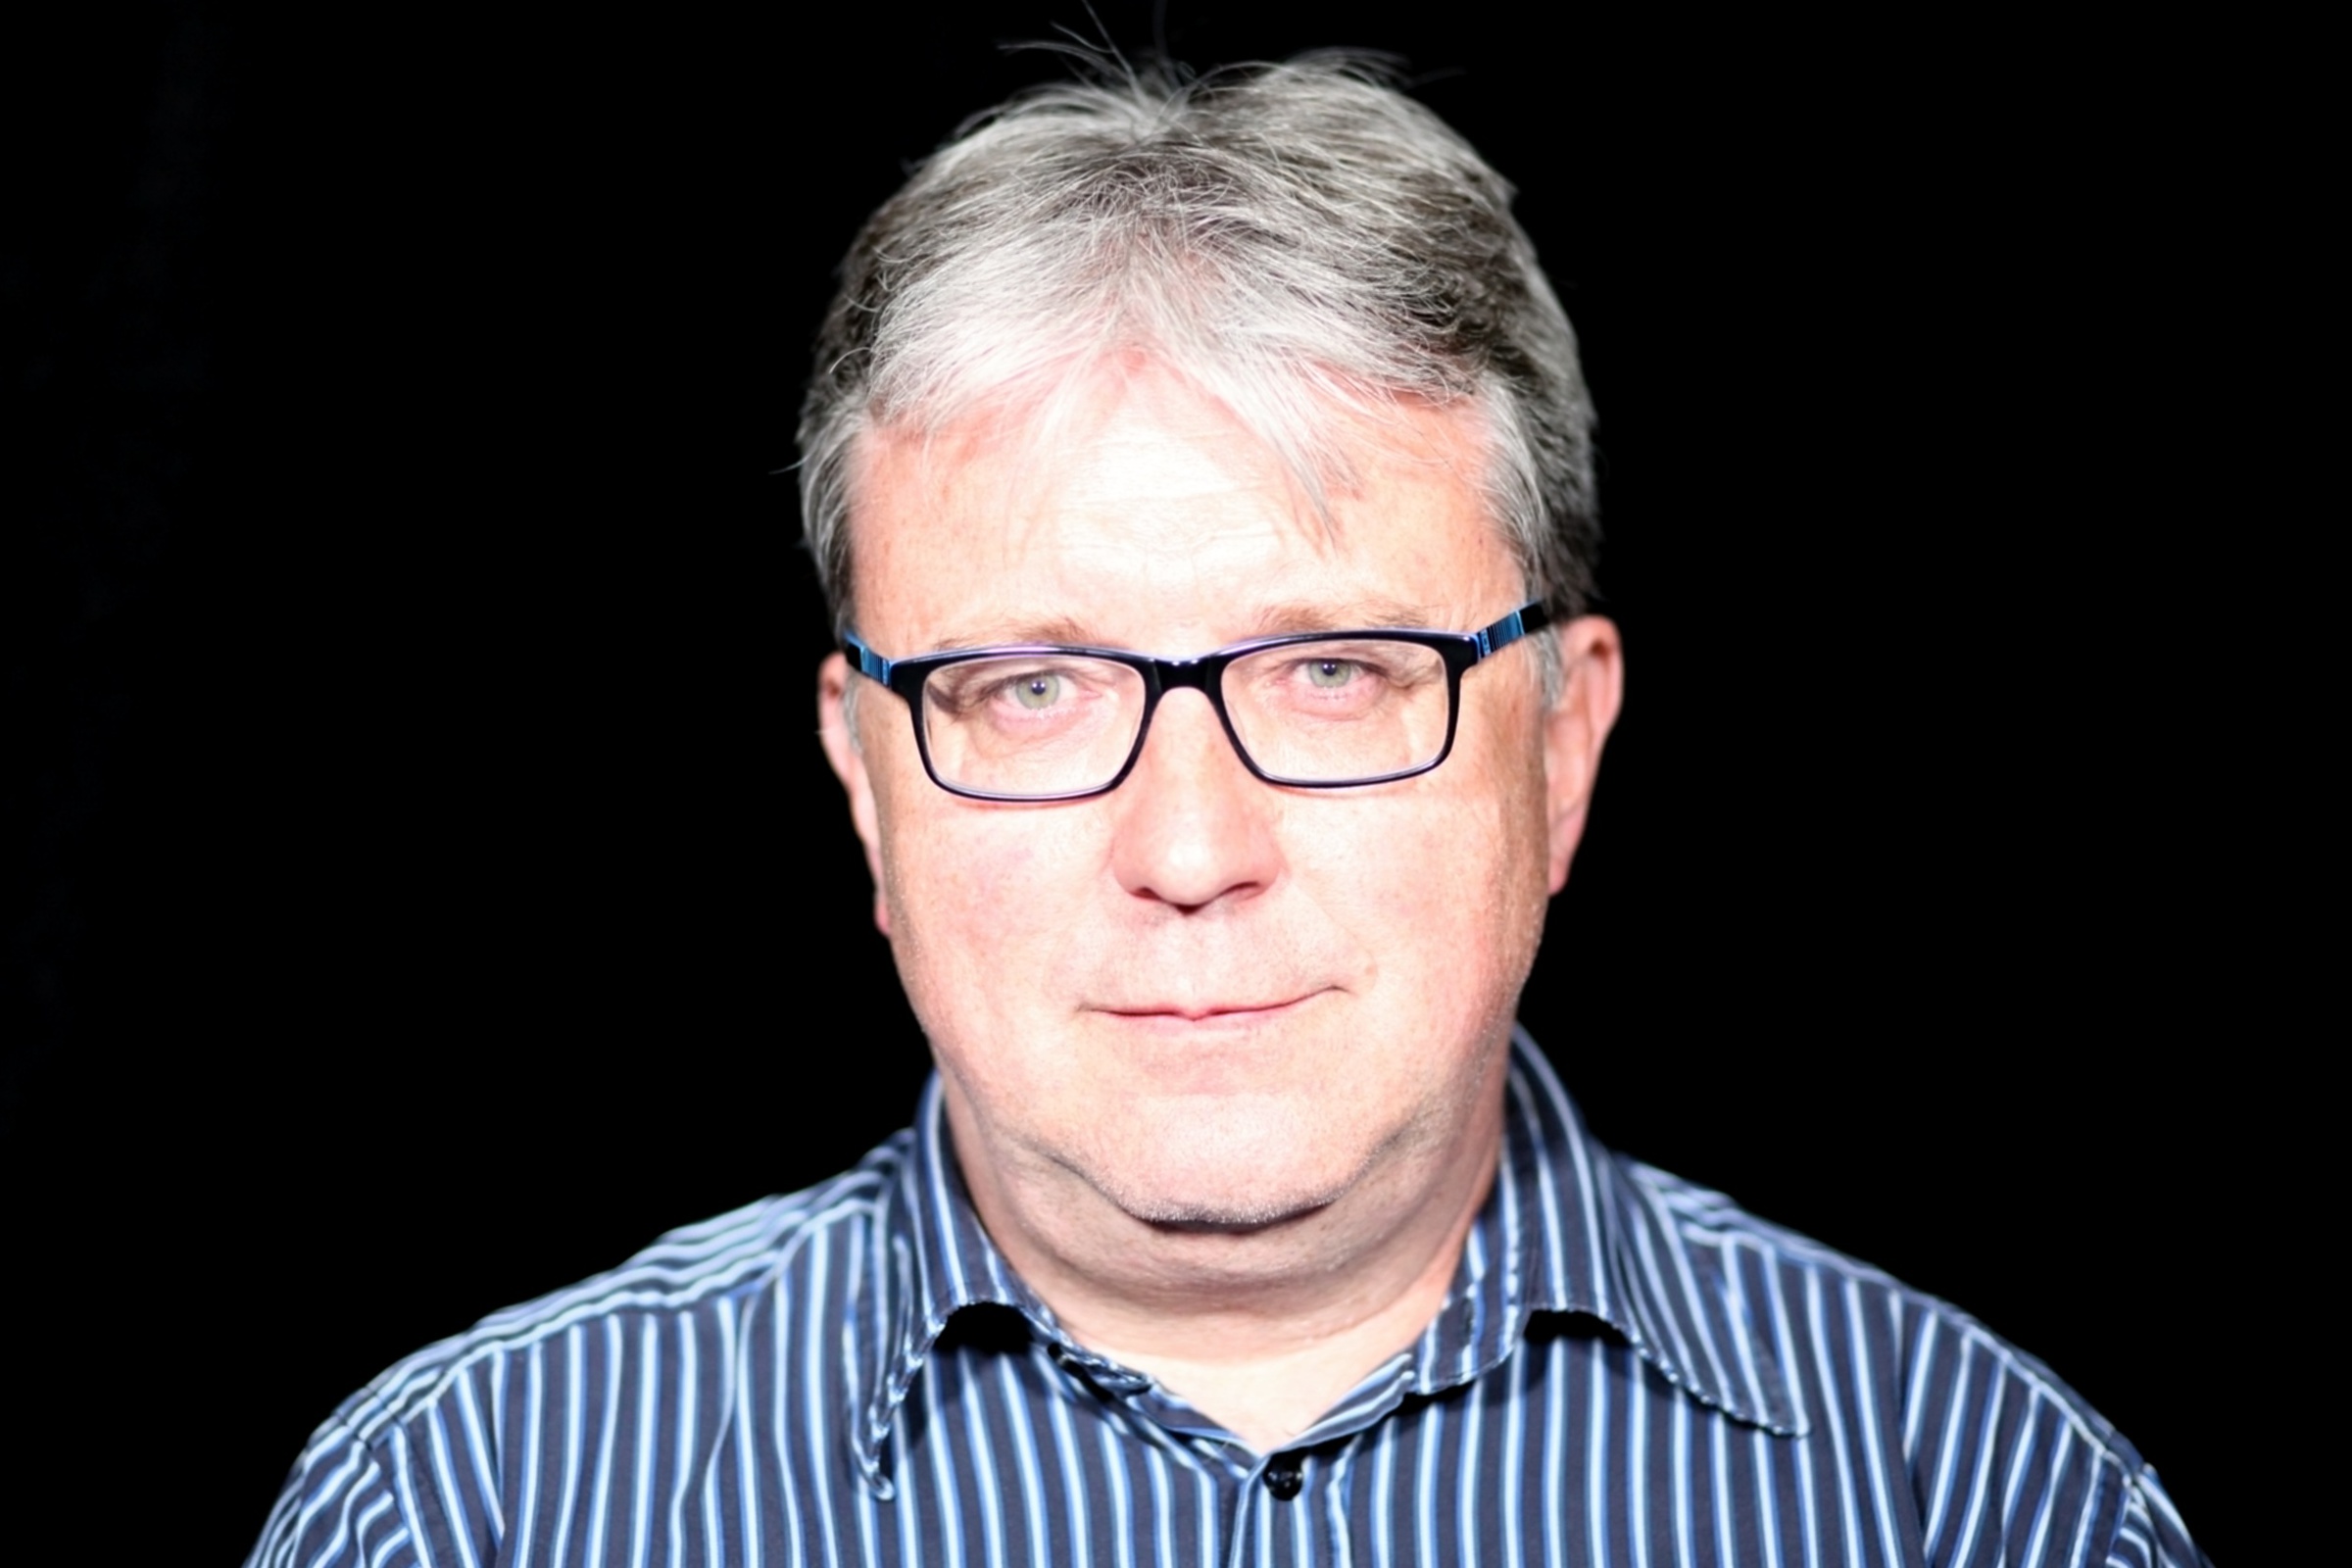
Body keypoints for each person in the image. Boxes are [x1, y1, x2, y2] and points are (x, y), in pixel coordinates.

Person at [247, 60, 2203, 1567]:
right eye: (1032, 689)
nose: (1191, 852)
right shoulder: (472, 1511)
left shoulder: (1985, 1505)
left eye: (1333, 671)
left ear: (1562, 749)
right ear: (863, 780)